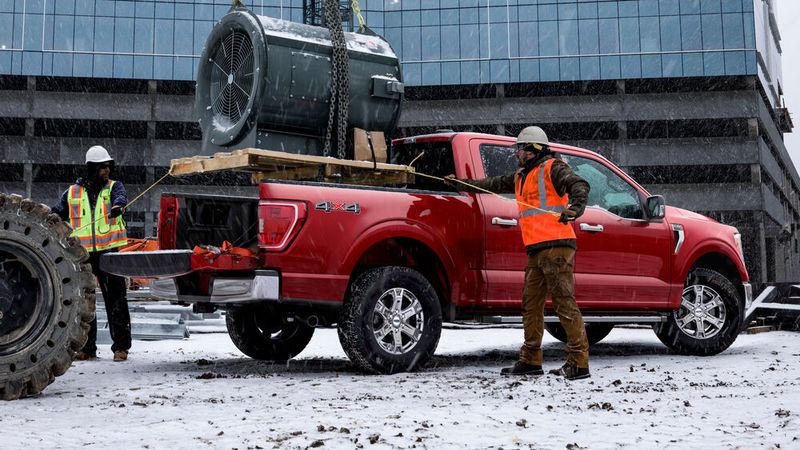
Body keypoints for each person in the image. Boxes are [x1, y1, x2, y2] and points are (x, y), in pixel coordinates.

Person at [447, 126, 591, 380]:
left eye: (520, 149)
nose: (517, 153)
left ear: (533, 149)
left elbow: (579, 184)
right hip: (536, 249)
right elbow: (490, 184)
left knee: (563, 303)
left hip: (557, 246)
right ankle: (531, 360)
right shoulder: (521, 175)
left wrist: (575, 208)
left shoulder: (553, 168)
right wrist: (460, 183)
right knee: (531, 304)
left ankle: (579, 363)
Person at [52, 145, 131, 362]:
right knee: (84, 303)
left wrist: (118, 206)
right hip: (82, 255)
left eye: (108, 166)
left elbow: (121, 198)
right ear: (92, 168)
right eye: (102, 167)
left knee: (116, 300)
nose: (107, 171)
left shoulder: (114, 187)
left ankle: (121, 347)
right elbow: (56, 214)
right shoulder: (72, 193)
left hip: (109, 252)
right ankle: (87, 348)